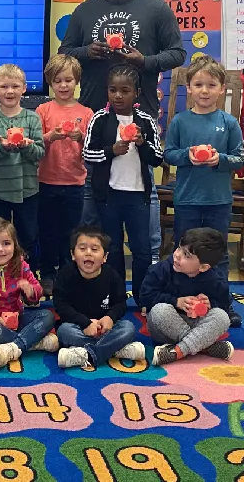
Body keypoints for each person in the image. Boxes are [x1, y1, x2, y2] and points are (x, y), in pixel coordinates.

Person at [59, 0, 185, 260]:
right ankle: (93, 262)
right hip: (93, 115)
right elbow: (65, 53)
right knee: (94, 186)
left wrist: (145, 61)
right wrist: (88, 51)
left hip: (141, 114)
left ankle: (150, 261)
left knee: (144, 185)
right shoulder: (85, 10)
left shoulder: (155, 8)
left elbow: (177, 53)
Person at [162, 55, 244, 324]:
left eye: (211, 85)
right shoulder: (180, 122)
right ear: (189, 88)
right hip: (187, 199)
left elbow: (239, 157)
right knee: (183, 251)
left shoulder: (229, 123)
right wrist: (188, 155)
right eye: (198, 85)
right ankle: (182, 299)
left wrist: (218, 159)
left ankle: (223, 304)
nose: (205, 91)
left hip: (219, 200)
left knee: (217, 254)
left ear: (222, 88)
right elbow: (169, 154)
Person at [83, 64, 163, 305]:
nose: (118, 95)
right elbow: (88, 154)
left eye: (125, 90)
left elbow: (158, 158)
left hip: (138, 196)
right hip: (108, 196)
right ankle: (116, 297)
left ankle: (143, 296)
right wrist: (111, 150)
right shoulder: (100, 119)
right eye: (113, 90)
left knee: (142, 249)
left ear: (136, 93)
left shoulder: (146, 121)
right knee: (113, 249)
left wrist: (141, 143)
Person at [0, 217, 58, 368]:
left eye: (6, 243)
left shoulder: (20, 265)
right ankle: (33, 342)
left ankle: (14, 347)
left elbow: (36, 293)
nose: (0, 249)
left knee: (47, 316)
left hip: (17, 318)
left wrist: (31, 290)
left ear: (15, 244)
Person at [0, 64, 45, 282]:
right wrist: (3, 147)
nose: (10, 91)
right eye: (4, 86)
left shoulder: (32, 118)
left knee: (29, 236)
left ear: (24, 88)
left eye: (15, 86)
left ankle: (28, 278)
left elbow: (39, 153)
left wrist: (25, 145)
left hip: (28, 191)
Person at [36, 54, 93, 296]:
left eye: (68, 80)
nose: (63, 86)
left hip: (75, 182)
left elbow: (91, 151)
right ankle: (47, 274)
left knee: (71, 232)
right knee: (47, 231)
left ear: (77, 81)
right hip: (46, 180)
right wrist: (51, 137)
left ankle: (68, 274)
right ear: (50, 82)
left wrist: (80, 139)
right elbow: (35, 145)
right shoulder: (43, 110)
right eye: (58, 81)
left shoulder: (86, 112)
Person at [140, 228, 235, 366]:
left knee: (222, 317)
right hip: (165, 328)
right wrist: (176, 301)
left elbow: (224, 304)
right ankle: (205, 347)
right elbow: (145, 298)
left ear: (203, 267)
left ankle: (177, 351)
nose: (177, 255)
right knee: (159, 311)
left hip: (197, 324)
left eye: (186, 255)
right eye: (179, 248)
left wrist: (211, 304)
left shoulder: (215, 279)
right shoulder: (161, 270)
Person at [53, 226, 145, 368]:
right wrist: (85, 323)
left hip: (105, 329)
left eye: (95, 249)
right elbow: (61, 305)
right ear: (72, 254)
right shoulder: (65, 274)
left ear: (105, 257)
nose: (88, 253)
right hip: (77, 326)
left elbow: (120, 303)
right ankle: (115, 349)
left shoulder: (112, 276)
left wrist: (110, 317)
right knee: (64, 331)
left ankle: (87, 354)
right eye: (82, 249)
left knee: (128, 328)